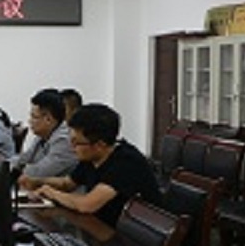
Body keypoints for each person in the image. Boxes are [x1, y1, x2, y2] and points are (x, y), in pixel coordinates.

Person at [19, 103, 161, 227]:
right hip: (103, 225)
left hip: (136, 237)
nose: (72, 147)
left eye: (76, 143)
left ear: (100, 145)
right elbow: (67, 183)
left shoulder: (126, 162)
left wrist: (52, 193)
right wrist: (36, 182)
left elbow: (87, 205)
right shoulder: (91, 156)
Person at [15, 89, 77, 178]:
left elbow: (40, 172)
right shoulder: (42, 136)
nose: (30, 121)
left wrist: (20, 169)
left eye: (34, 117)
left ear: (48, 119)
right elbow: (24, 159)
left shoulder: (64, 140)